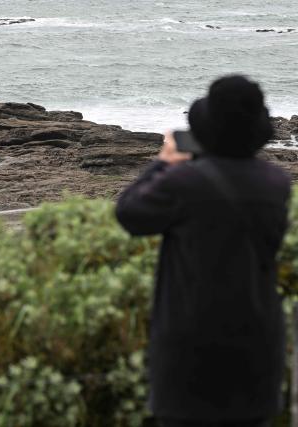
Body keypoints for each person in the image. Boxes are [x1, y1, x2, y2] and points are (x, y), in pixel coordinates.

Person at [115, 75, 291, 427]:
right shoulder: (276, 183)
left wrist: (164, 162)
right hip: (256, 347)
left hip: (191, 351)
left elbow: (130, 213)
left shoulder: (185, 183)